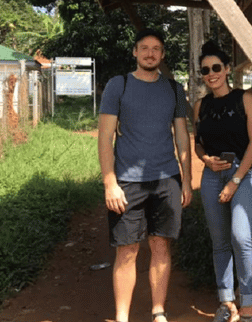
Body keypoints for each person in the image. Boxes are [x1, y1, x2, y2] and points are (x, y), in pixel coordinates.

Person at [97, 28, 192, 322]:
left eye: (156, 49)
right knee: (127, 250)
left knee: (161, 245)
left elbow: (182, 136)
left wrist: (186, 179)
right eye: (144, 48)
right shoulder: (118, 85)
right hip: (127, 182)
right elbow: (104, 137)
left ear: (162, 55)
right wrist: (110, 182)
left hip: (166, 179)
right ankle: (122, 316)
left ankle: (158, 311)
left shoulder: (174, 90)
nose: (150, 53)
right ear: (135, 52)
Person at [194, 41, 252, 322]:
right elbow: (198, 144)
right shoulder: (201, 105)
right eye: (205, 70)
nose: (211, 74)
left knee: (241, 236)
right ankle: (226, 303)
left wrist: (235, 180)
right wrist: (206, 160)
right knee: (220, 241)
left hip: (245, 171)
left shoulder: (244, 99)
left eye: (216, 68)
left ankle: (249, 304)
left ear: (226, 70)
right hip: (212, 174)